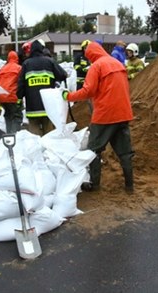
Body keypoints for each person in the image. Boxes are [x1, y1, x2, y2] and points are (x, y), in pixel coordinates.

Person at [62, 41, 134, 193]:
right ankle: (129, 186)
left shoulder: (97, 66)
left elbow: (88, 91)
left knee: (93, 150)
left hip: (105, 115)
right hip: (123, 113)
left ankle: (95, 185)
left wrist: (69, 96)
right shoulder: (118, 63)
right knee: (125, 152)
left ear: (91, 56)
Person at [17, 40, 67, 136]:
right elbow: (63, 75)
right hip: (48, 108)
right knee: (49, 135)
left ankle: (37, 150)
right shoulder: (49, 62)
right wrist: (55, 82)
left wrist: (19, 99)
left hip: (32, 109)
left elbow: (21, 84)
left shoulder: (26, 64)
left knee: (35, 137)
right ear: (42, 50)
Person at [0, 50, 23, 133]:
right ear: (17, 58)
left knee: (7, 116)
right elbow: (21, 82)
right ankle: (15, 135)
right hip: (13, 96)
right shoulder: (19, 68)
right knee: (17, 117)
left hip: (2, 97)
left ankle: (8, 134)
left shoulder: (2, 69)